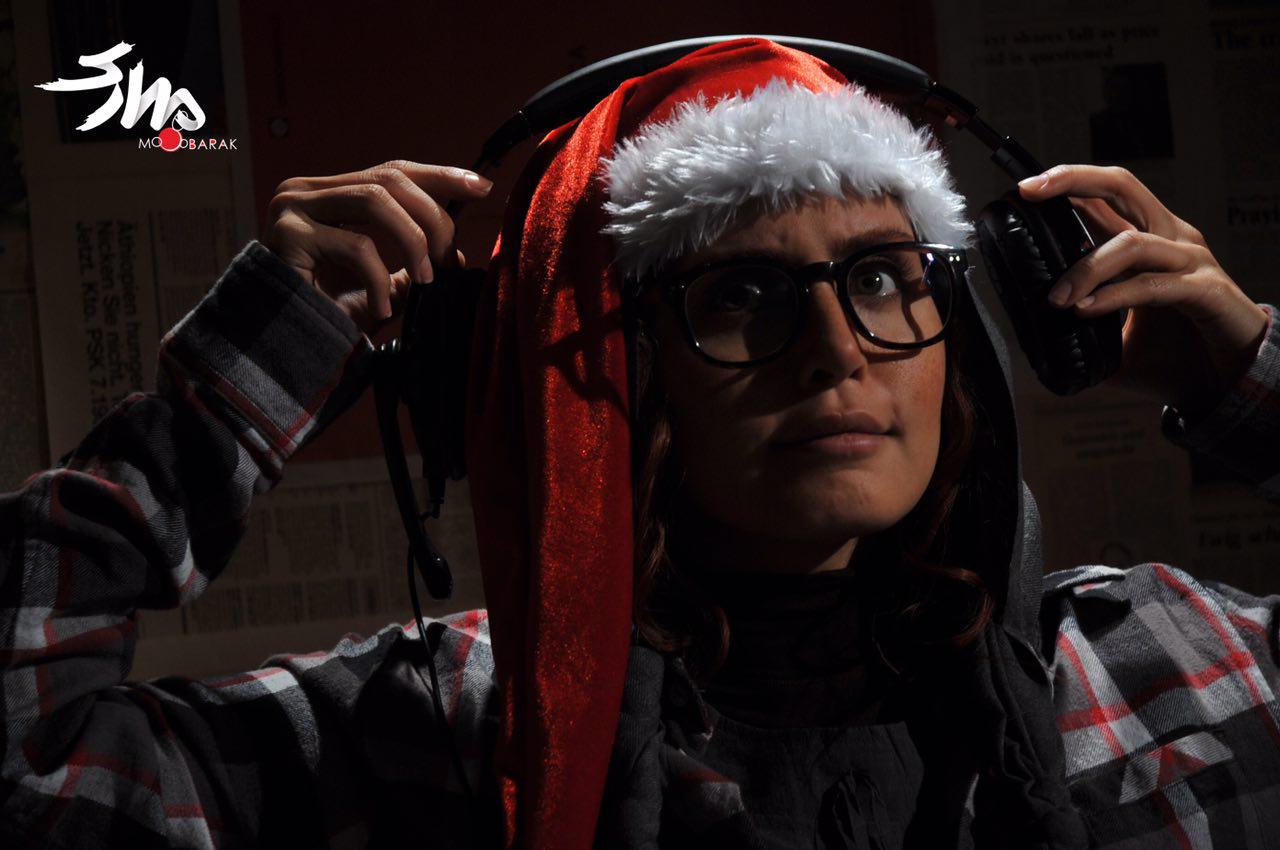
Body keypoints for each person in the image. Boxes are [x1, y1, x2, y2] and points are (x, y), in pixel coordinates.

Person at [1, 37, 1277, 850]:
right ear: (616, 374)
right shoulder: (428, 731)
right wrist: (234, 391)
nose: (835, 351)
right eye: (740, 294)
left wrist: (1253, 380)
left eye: (882, 277)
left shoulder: (1167, 659)